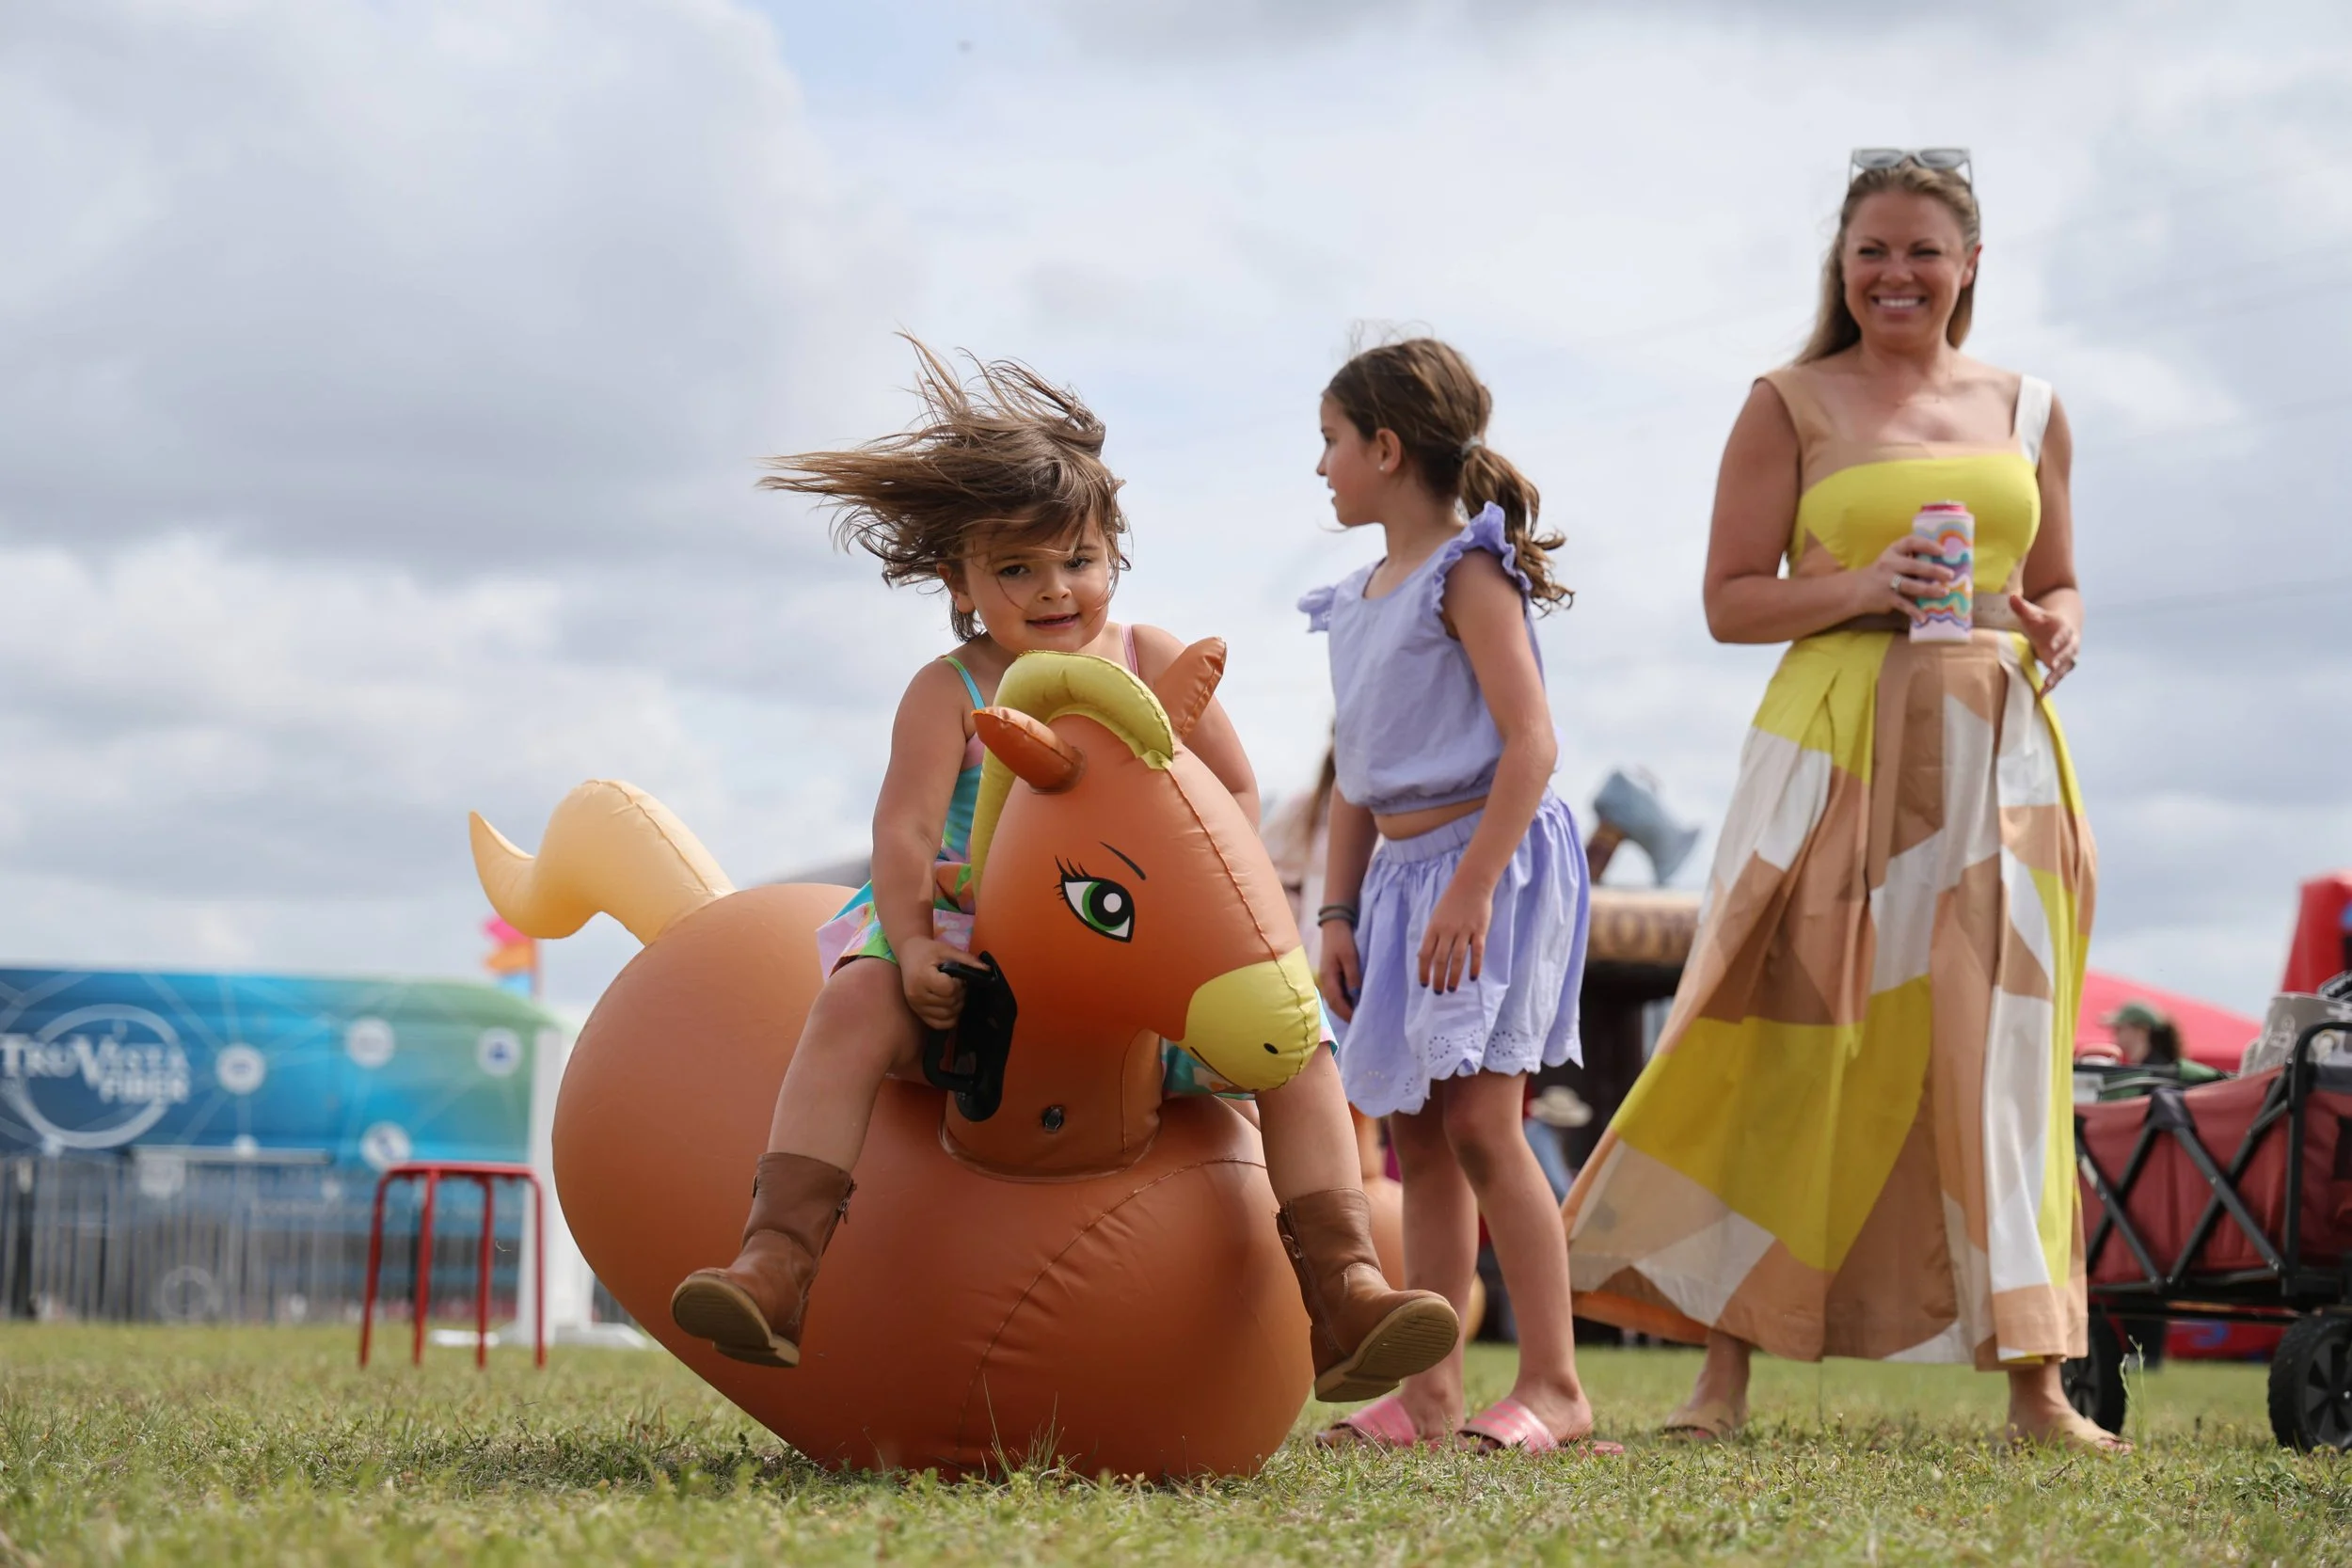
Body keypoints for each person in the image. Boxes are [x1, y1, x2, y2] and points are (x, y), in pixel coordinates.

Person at [671, 341, 1459, 1404]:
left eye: (1078, 560)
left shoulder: (1147, 659)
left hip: (1136, 940)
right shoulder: (946, 690)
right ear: (958, 581)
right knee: (849, 1008)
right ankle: (777, 1263)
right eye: (1016, 569)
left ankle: (1344, 1282)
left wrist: (1211, 908)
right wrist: (907, 946)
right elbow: (901, 834)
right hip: (976, 934)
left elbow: (1231, 795)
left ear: (1113, 556)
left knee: (1300, 1050)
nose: (1056, 591)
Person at [1562, 150, 2125, 1453]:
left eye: (1924, 249)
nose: (1896, 273)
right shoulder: (1789, 400)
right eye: (1872, 249)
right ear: (1842, 261)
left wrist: (2057, 621)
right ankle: (1721, 1375)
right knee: (1783, 1025)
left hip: (1999, 754)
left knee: (2002, 1051)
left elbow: (2065, 580)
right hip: (1833, 743)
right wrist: (1866, 584)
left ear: (1969, 263)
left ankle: (2036, 1387)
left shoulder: (2033, 408)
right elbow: (1729, 600)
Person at [1303, 337, 1612, 1454]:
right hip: (1394, 883)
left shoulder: (1466, 574)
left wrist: (1472, 888)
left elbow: (1530, 745)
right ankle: (1429, 1394)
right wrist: (1334, 913)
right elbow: (1354, 774)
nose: (1322, 466)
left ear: (1386, 448)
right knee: (1416, 1140)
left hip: (1492, 863)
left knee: (1485, 1124)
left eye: (1331, 442)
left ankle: (1557, 1384)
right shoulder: (1352, 599)